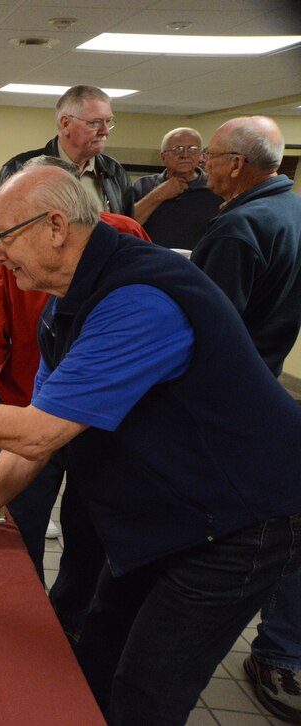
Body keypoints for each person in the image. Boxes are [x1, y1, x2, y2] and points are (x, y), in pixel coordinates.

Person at [0, 165, 301, 725]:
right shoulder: (67, 300)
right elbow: (37, 427)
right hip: (167, 506)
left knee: (148, 688)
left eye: (3, 237)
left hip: (238, 519)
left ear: (55, 226)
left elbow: (40, 433)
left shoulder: (141, 299)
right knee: (98, 644)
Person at [0, 155, 150, 638]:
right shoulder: (24, 292)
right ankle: (15, 623)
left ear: (56, 224)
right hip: (23, 416)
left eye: (6, 236)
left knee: (91, 539)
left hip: (112, 432)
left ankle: (66, 635)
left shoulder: (128, 259)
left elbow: (52, 423)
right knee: (13, 527)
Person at [193, 115, 301, 724]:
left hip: (229, 400)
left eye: (210, 156)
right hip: (272, 385)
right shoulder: (292, 212)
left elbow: (204, 332)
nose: (205, 164)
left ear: (237, 163)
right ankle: (284, 648)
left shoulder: (239, 228)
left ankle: (277, 650)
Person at [0, 85, 132, 216]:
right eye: (95, 122)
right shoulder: (19, 169)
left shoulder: (114, 173)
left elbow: (126, 234)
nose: (105, 131)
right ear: (65, 123)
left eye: (108, 122)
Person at [131, 127, 222, 251]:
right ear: (163, 157)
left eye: (192, 149)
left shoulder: (217, 187)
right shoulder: (143, 185)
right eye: (177, 150)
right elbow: (127, 225)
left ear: (201, 155)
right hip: (150, 262)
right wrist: (158, 194)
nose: (185, 155)